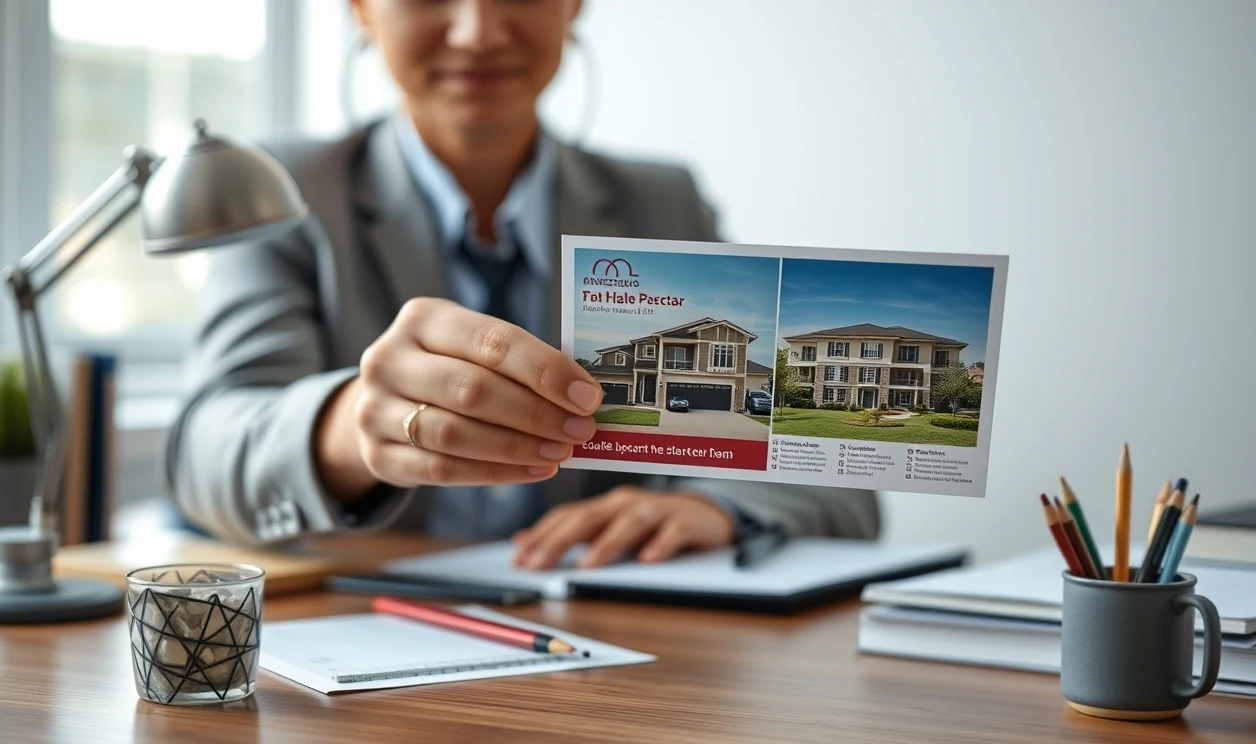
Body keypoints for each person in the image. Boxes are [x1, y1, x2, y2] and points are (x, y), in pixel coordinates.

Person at [165, 0, 879, 570]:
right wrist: (350, 426)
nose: (478, 30)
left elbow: (834, 474)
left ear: (576, 5)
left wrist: (719, 506)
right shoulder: (284, 192)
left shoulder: (664, 203)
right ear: (360, 8)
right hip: (360, 622)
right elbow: (203, 450)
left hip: (600, 643)